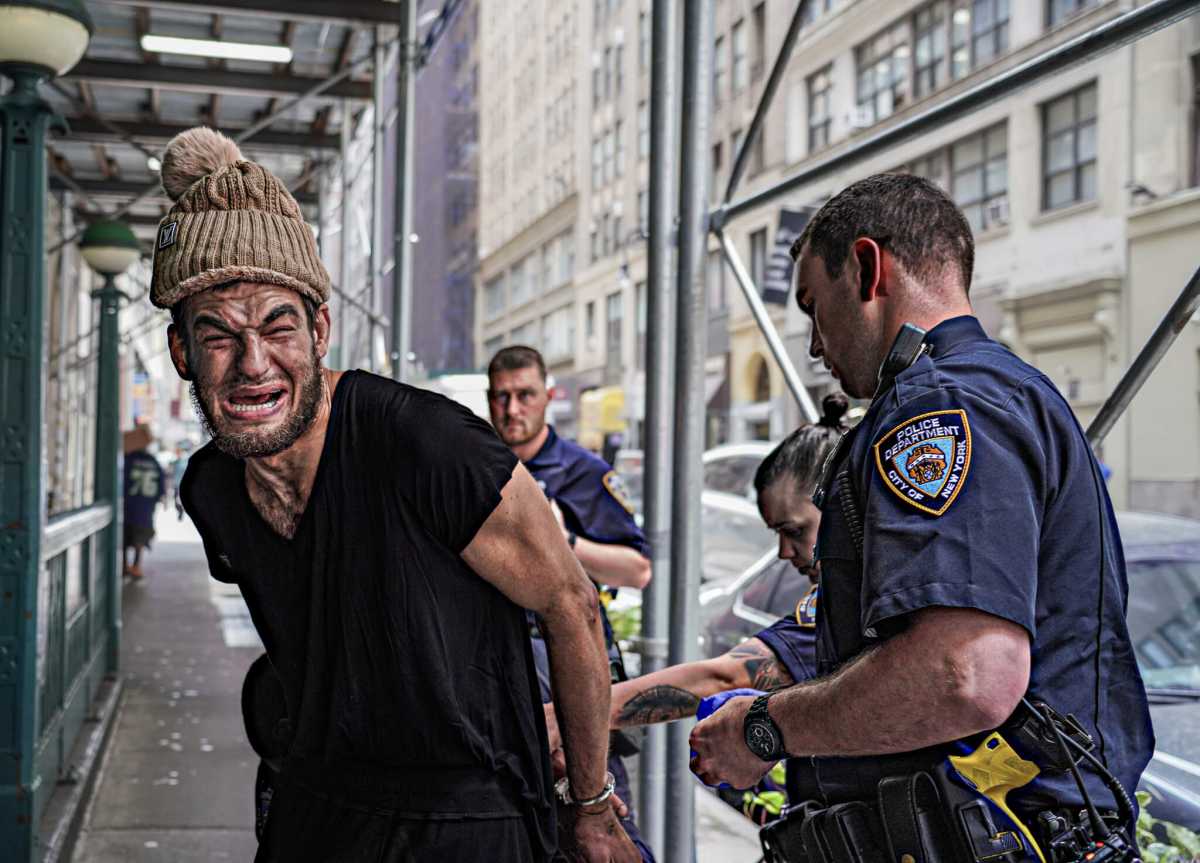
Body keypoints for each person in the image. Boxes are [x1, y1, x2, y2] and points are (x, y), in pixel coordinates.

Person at [154, 127, 637, 863]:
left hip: (469, 819)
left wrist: (593, 805)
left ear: (319, 329)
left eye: (278, 324)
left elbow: (570, 603)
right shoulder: (211, 488)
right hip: (318, 809)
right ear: (182, 351)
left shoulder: (427, 444)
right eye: (217, 334)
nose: (253, 363)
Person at [689, 173, 1154, 861]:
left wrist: (766, 730)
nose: (815, 345)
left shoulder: (939, 407)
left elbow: (964, 673)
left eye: (815, 306)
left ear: (869, 268)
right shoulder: (1004, 392)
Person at [543, 398, 847, 823]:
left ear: (844, 506)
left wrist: (573, 713)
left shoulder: (855, 600)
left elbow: (724, 675)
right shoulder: (839, 596)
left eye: (794, 530)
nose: (782, 552)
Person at [487, 345, 653, 860]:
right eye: (501, 398)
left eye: (525, 396)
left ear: (549, 397)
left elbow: (638, 569)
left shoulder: (582, 471)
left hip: (568, 667)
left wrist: (565, 544)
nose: (513, 410)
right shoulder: (478, 465)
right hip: (498, 674)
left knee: (597, 814)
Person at [123, 425, 164, 579]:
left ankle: (124, 567)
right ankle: (136, 566)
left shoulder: (128, 459)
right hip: (146, 508)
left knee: (125, 537)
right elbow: (160, 487)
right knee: (140, 538)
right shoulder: (154, 462)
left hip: (128, 506)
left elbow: (122, 482)